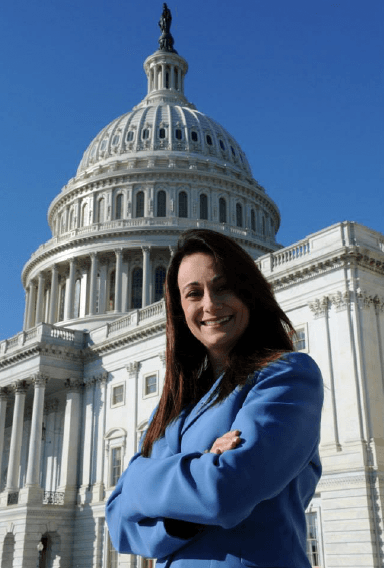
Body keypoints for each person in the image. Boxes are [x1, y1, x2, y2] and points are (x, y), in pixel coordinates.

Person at [106, 228, 324, 568]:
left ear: (248, 291)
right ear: (180, 308)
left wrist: (138, 478)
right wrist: (201, 473)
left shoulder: (288, 375)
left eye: (222, 287)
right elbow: (119, 524)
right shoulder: (173, 410)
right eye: (194, 293)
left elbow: (225, 492)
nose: (210, 304)